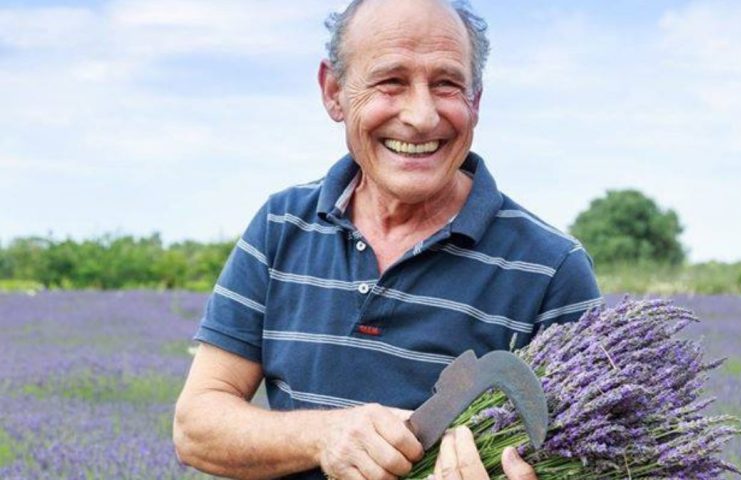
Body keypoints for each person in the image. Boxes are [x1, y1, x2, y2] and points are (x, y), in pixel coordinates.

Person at [173, 0, 602, 479]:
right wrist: (324, 436)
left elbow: (594, 457)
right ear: (334, 92)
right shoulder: (281, 225)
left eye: (446, 83)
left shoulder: (551, 269)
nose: (420, 116)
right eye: (390, 81)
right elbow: (197, 427)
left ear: (475, 101)